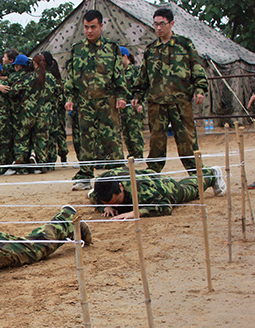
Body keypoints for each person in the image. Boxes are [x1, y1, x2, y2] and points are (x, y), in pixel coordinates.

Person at [131, 8, 208, 174]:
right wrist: (137, 94)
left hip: (180, 101)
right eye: (155, 24)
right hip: (157, 103)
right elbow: (144, 75)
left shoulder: (184, 44)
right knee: (156, 143)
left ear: (171, 23)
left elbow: (196, 67)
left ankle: (198, 175)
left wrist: (200, 88)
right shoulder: (151, 49)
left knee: (187, 141)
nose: (158, 28)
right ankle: (152, 175)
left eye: (162, 24)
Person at [65, 9, 128, 190]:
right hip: (85, 102)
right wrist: (69, 97)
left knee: (112, 139)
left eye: (93, 27)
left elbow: (119, 75)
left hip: (107, 101)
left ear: (101, 25)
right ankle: (85, 176)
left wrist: (121, 95)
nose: (89, 31)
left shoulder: (112, 48)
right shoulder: (77, 49)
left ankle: (119, 176)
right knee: (85, 140)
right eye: (86, 27)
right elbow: (71, 76)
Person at [89, 165, 226, 219]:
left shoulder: (142, 190)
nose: (116, 206)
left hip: (163, 187)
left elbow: (165, 206)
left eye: (118, 200)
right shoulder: (101, 185)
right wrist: (105, 207)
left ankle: (211, 174)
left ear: (121, 187)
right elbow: (92, 196)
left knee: (190, 189)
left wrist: (136, 213)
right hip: (143, 176)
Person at [119, 47, 145, 159]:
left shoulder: (135, 70)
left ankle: (138, 154)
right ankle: (132, 154)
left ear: (125, 56)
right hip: (124, 106)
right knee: (126, 133)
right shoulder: (120, 72)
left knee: (135, 131)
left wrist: (140, 102)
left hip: (133, 105)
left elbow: (140, 87)